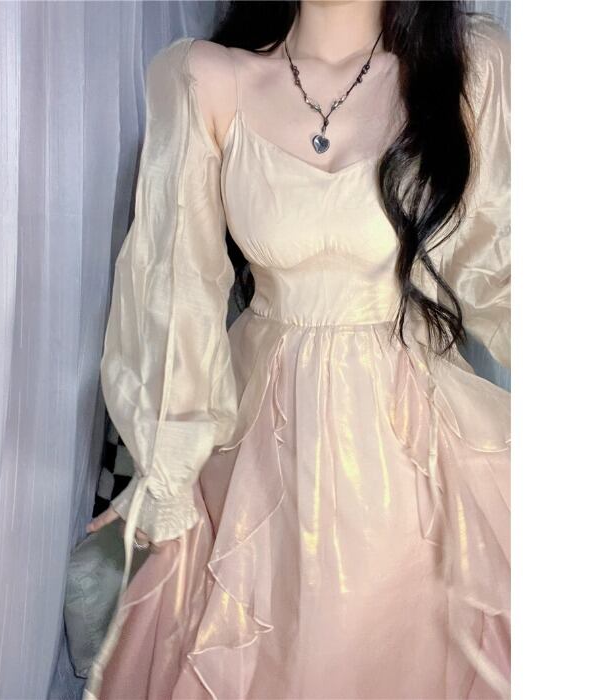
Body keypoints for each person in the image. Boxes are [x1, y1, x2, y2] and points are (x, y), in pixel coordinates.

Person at [84, 1, 510, 698]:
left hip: (412, 441)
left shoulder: (467, 68)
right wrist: (165, 469)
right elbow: (174, 287)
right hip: (259, 449)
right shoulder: (205, 79)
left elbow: (504, 263)